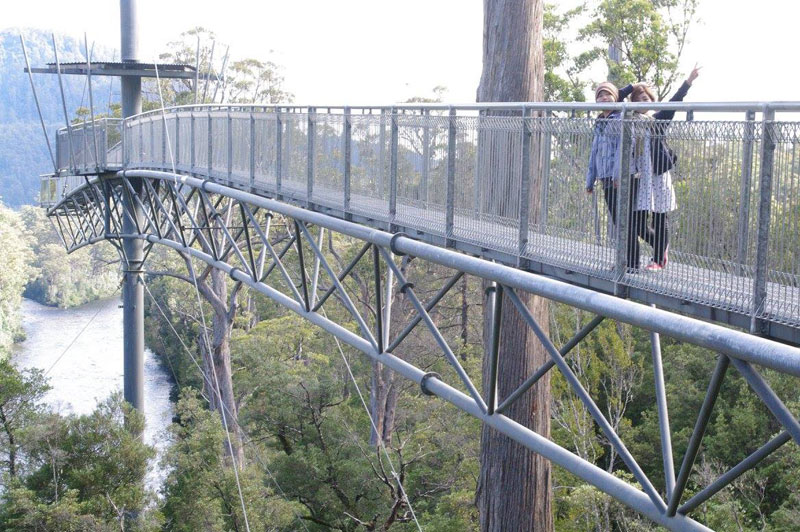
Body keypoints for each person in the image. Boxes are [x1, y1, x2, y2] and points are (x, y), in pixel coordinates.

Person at [619, 64, 702, 271]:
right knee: (638, 222)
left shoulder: (658, 120)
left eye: (645, 99)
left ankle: (658, 260)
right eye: (637, 100)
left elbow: (674, 103)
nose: (642, 102)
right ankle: (661, 246)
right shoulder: (628, 122)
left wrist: (688, 82)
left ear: (652, 101)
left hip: (657, 175)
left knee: (659, 215)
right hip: (639, 177)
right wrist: (633, 86)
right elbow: (614, 99)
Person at [586, 82, 653, 271]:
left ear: (616, 98)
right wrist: (590, 180)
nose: (604, 98)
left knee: (625, 222)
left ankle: (630, 263)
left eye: (608, 95)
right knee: (621, 222)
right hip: (606, 179)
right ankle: (633, 259)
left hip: (624, 178)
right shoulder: (600, 122)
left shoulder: (620, 118)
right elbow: (594, 152)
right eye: (600, 95)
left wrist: (618, 176)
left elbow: (624, 148)